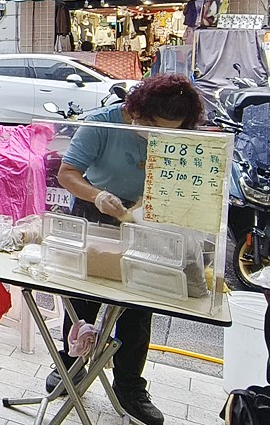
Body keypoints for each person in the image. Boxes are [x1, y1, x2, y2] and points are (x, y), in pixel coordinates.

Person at [50, 74, 204, 425]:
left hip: (149, 219)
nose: (156, 136)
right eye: (151, 126)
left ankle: (130, 385)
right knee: (81, 299)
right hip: (97, 211)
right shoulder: (101, 124)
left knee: (139, 305)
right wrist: (98, 196)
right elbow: (68, 173)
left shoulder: (180, 134)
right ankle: (70, 365)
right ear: (136, 110)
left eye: (168, 130)